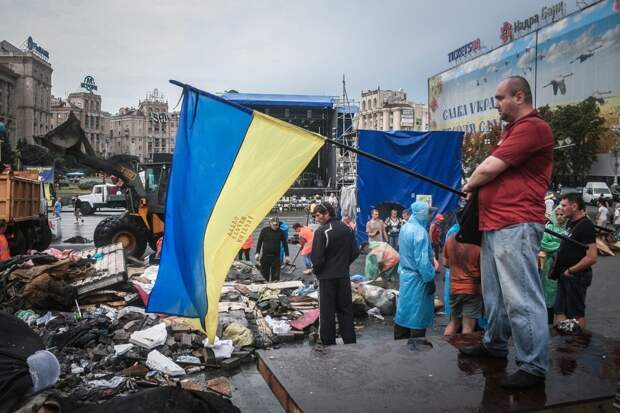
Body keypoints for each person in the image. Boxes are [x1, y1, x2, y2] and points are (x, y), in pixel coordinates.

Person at [461, 76, 553, 388]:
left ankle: (533, 366)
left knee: (522, 298)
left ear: (519, 96)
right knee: (495, 297)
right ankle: (495, 345)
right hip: (495, 224)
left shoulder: (533, 128)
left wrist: (469, 184)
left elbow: (489, 168)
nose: (496, 104)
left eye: (500, 98)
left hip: (516, 223)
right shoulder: (512, 131)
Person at [311, 203, 359, 345]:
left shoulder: (322, 231)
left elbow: (317, 259)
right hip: (343, 276)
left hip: (327, 278)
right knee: (345, 310)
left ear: (327, 213)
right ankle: (350, 341)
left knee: (327, 312)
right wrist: (343, 265)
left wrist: (318, 272)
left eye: (318, 215)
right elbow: (355, 252)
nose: (317, 219)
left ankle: (328, 342)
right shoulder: (347, 228)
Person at [553, 193, 597, 329]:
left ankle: (577, 346)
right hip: (565, 275)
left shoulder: (586, 226)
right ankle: (562, 345)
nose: (561, 208)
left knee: (576, 315)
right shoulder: (571, 223)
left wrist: (570, 270)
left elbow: (591, 257)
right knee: (559, 311)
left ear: (574, 206)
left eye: (564, 205)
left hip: (576, 277)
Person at [394, 201, 436, 339]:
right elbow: (422, 261)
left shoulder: (405, 228)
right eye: (428, 213)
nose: (430, 216)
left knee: (404, 311)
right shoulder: (420, 232)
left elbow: (402, 253)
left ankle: (400, 340)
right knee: (417, 315)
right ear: (421, 213)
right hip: (418, 279)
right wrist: (429, 279)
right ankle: (417, 347)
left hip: (406, 276)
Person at [443, 230, 482, 336]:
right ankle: (464, 351)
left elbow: (445, 263)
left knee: (453, 323)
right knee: (468, 328)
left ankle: (445, 349)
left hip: (454, 289)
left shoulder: (451, 239)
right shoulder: (478, 242)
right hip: (472, 290)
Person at [539, 206, 567, 324]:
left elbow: (569, 246)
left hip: (563, 265)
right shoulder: (549, 227)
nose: (560, 217)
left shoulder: (568, 229)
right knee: (547, 289)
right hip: (549, 265)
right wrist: (560, 245)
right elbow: (543, 244)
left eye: (562, 214)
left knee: (560, 290)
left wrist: (555, 244)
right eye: (558, 214)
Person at [255, 217, 290, 282]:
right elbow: (259, 242)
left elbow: (285, 244)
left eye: (277, 225)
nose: (275, 226)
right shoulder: (264, 230)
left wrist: (287, 256)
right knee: (264, 277)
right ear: (270, 224)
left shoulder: (281, 232)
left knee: (275, 278)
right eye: (274, 224)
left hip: (276, 258)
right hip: (265, 257)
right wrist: (257, 253)